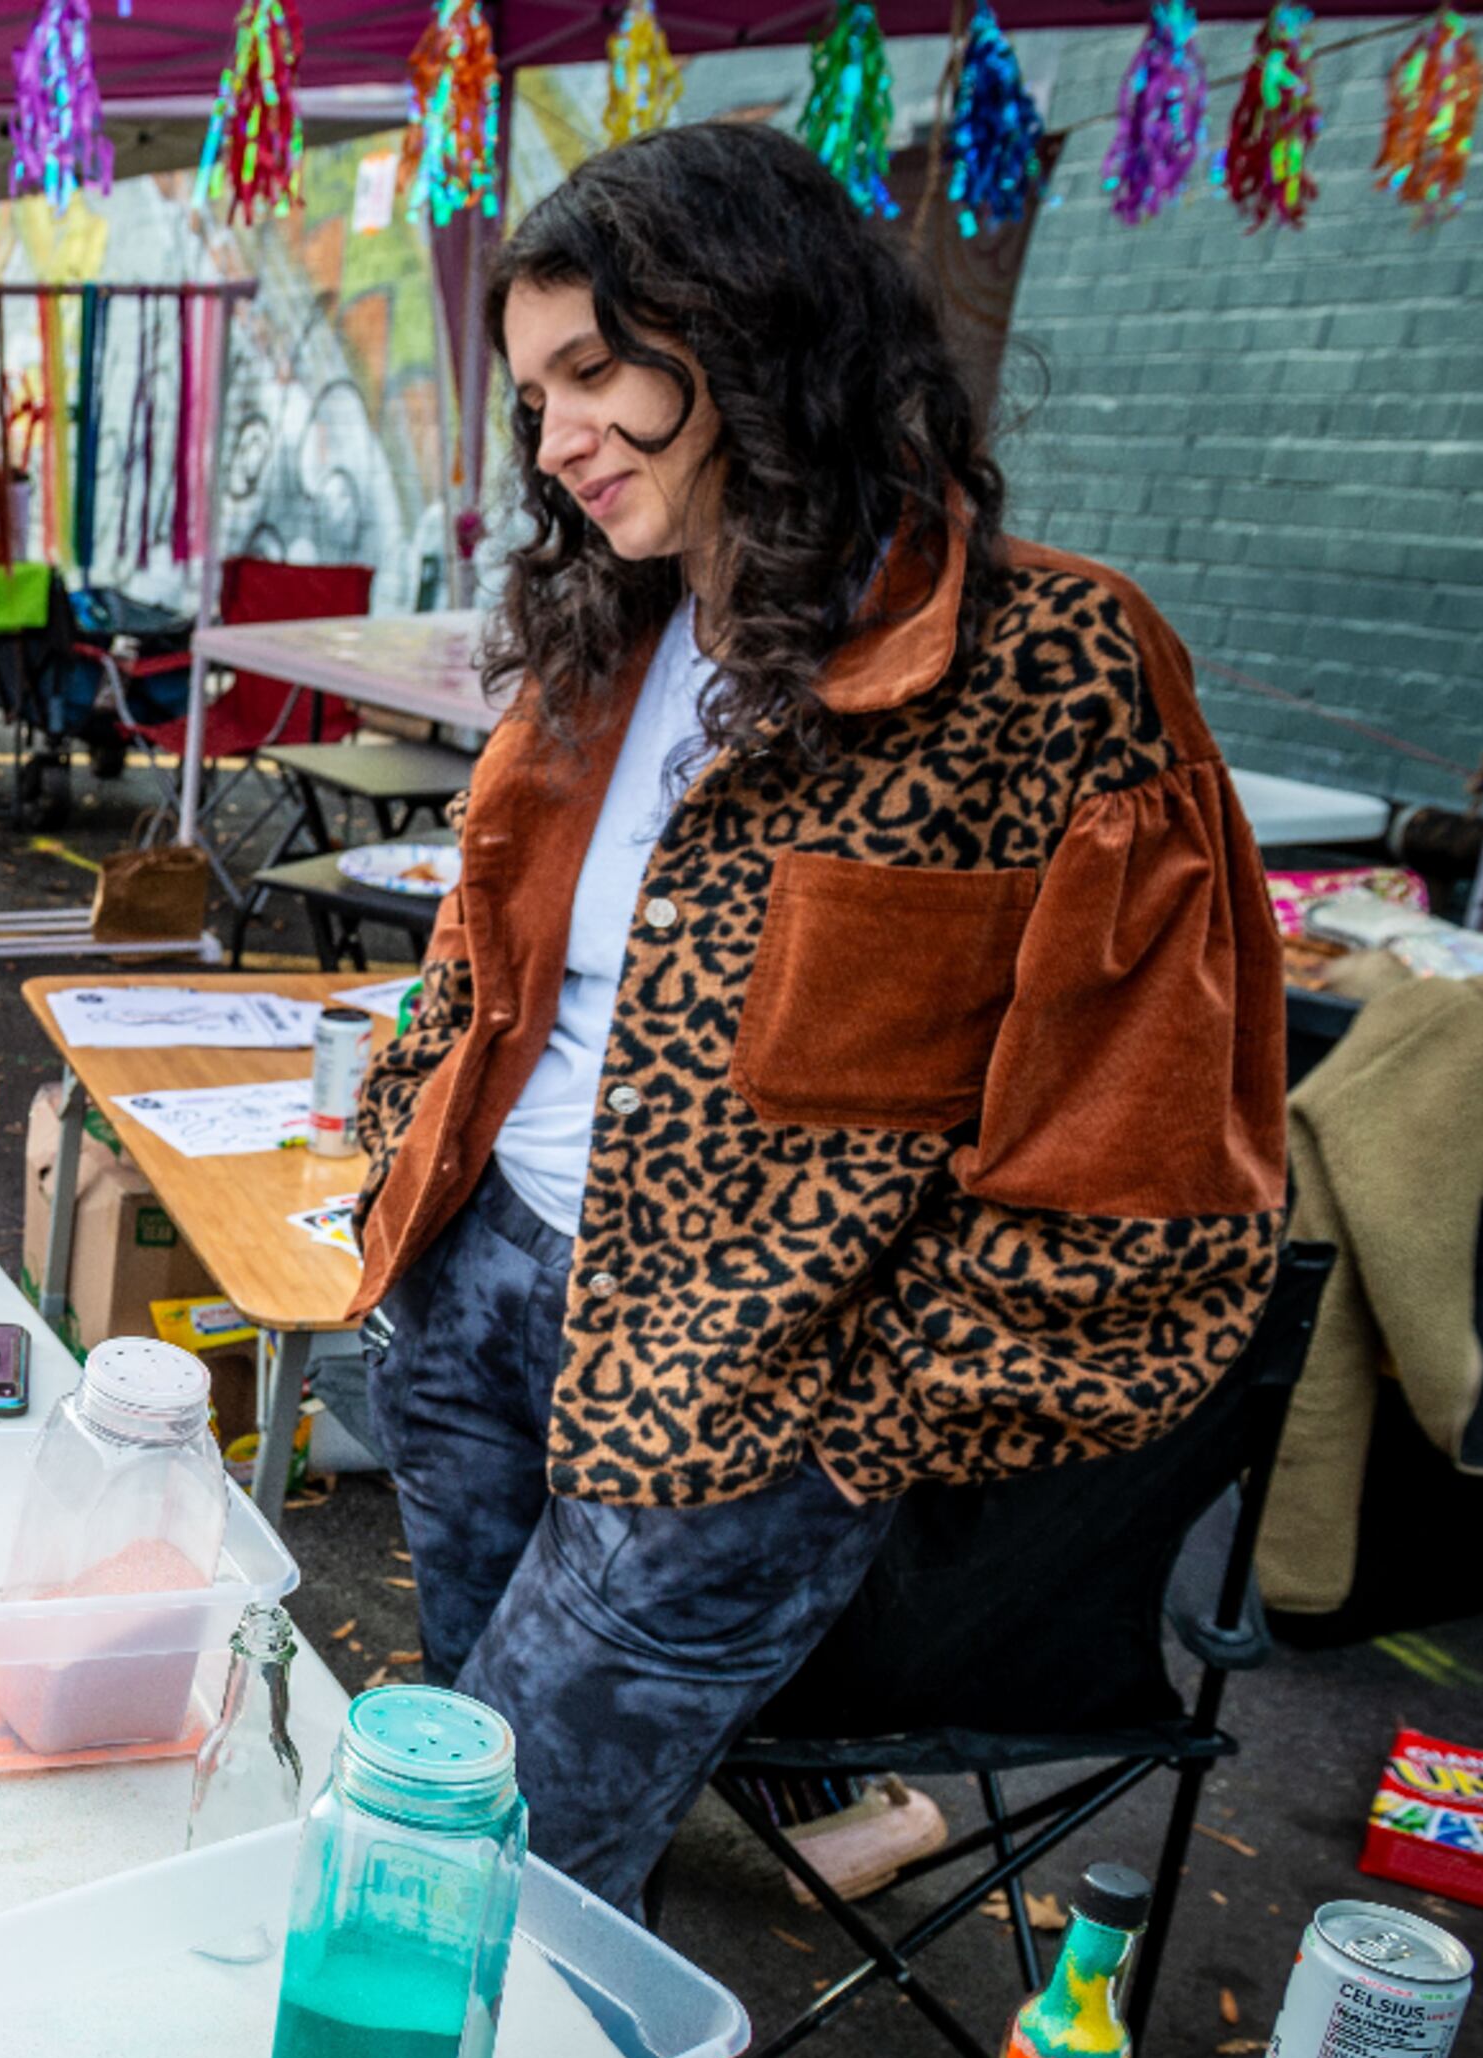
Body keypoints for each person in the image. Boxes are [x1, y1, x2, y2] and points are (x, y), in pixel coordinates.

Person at [348, 123, 1286, 1910]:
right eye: (532, 391)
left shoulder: (1050, 666)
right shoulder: (611, 627)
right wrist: (415, 1133)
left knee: (492, 1863)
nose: (553, 439)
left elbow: (1152, 1158)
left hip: (735, 1397)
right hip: (473, 1307)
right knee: (476, 1771)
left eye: (596, 371)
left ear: (754, 334)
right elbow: (495, 953)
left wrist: (857, 1416)